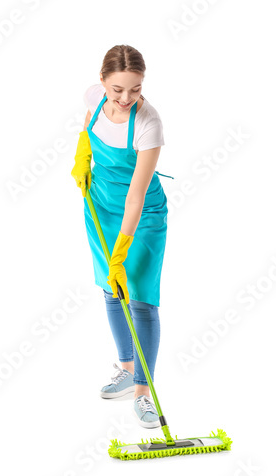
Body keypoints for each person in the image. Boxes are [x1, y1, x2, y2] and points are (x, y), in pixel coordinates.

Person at [71, 45, 166, 428]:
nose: (126, 98)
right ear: (102, 82)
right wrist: (81, 156)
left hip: (140, 217)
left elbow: (136, 197)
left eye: (136, 90)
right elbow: (86, 128)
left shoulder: (149, 123)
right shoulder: (94, 99)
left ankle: (144, 391)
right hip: (100, 205)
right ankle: (127, 370)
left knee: (139, 297)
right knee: (111, 288)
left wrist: (122, 248)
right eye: (118, 90)